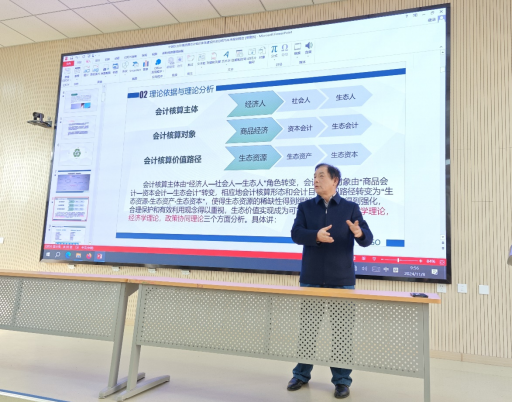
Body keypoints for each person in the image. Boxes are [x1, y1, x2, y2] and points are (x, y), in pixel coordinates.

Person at [287, 163, 373, 399]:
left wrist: (359, 233)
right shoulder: (305, 207)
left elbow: (367, 238)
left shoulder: (350, 208)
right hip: (312, 279)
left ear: (335, 181)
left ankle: (342, 381)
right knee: (308, 330)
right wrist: (315, 235)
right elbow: (296, 234)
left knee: (342, 333)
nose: (315, 180)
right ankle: (301, 375)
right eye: (314, 176)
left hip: (341, 280)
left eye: (321, 176)